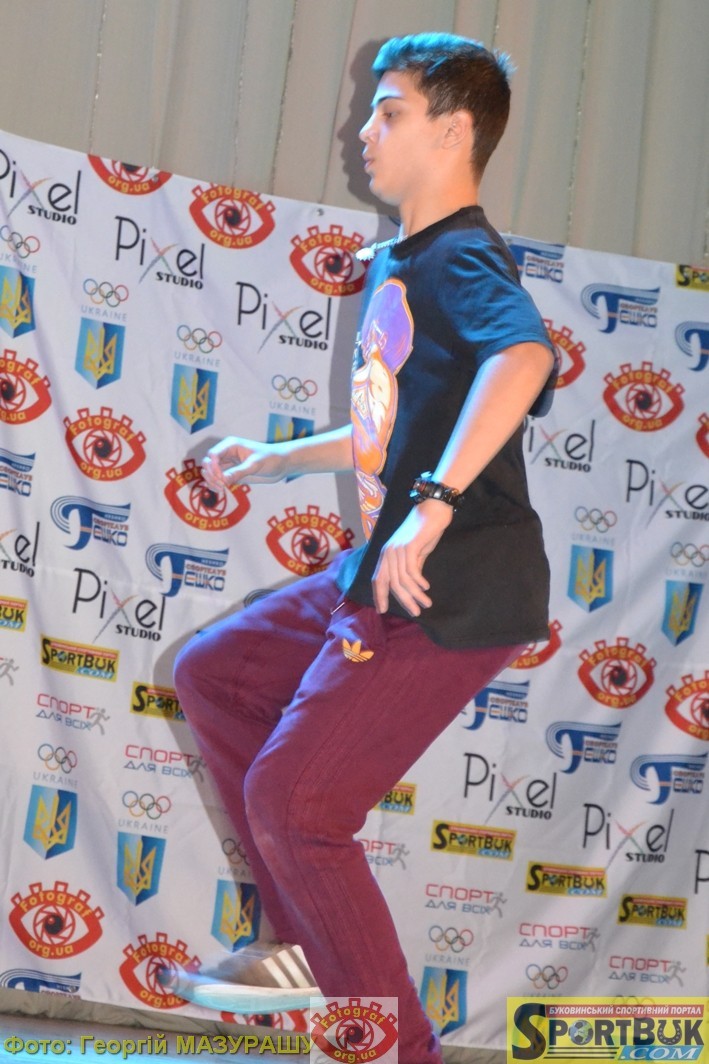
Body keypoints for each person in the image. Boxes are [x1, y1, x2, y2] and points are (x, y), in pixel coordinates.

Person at [168, 32, 556, 1064]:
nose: (362, 131)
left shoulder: (459, 253)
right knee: (217, 673)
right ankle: (301, 949)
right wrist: (282, 457)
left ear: (454, 131)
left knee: (297, 804)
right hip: (381, 572)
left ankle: (396, 1047)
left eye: (389, 112)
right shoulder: (402, 259)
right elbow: (397, 419)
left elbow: (523, 356)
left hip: (451, 585)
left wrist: (432, 503)